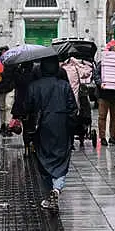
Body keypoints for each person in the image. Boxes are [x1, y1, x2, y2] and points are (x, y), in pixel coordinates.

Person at [26, 56, 77, 214]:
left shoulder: (34, 86)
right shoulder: (64, 86)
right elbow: (73, 109)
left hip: (42, 128)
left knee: (43, 159)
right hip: (61, 127)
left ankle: (50, 192)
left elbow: (28, 108)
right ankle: (56, 189)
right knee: (61, 160)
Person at [93, 42, 115, 146]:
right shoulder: (103, 63)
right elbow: (96, 75)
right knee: (102, 116)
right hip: (104, 94)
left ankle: (112, 137)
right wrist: (100, 83)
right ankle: (102, 137)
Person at [0, 45, 16, 136]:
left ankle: (8, 125)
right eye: (2, 51)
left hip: (9, 87)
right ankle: (3, 124)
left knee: (8, 106)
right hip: (0, 88)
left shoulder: (12, 62)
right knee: (2, 107)